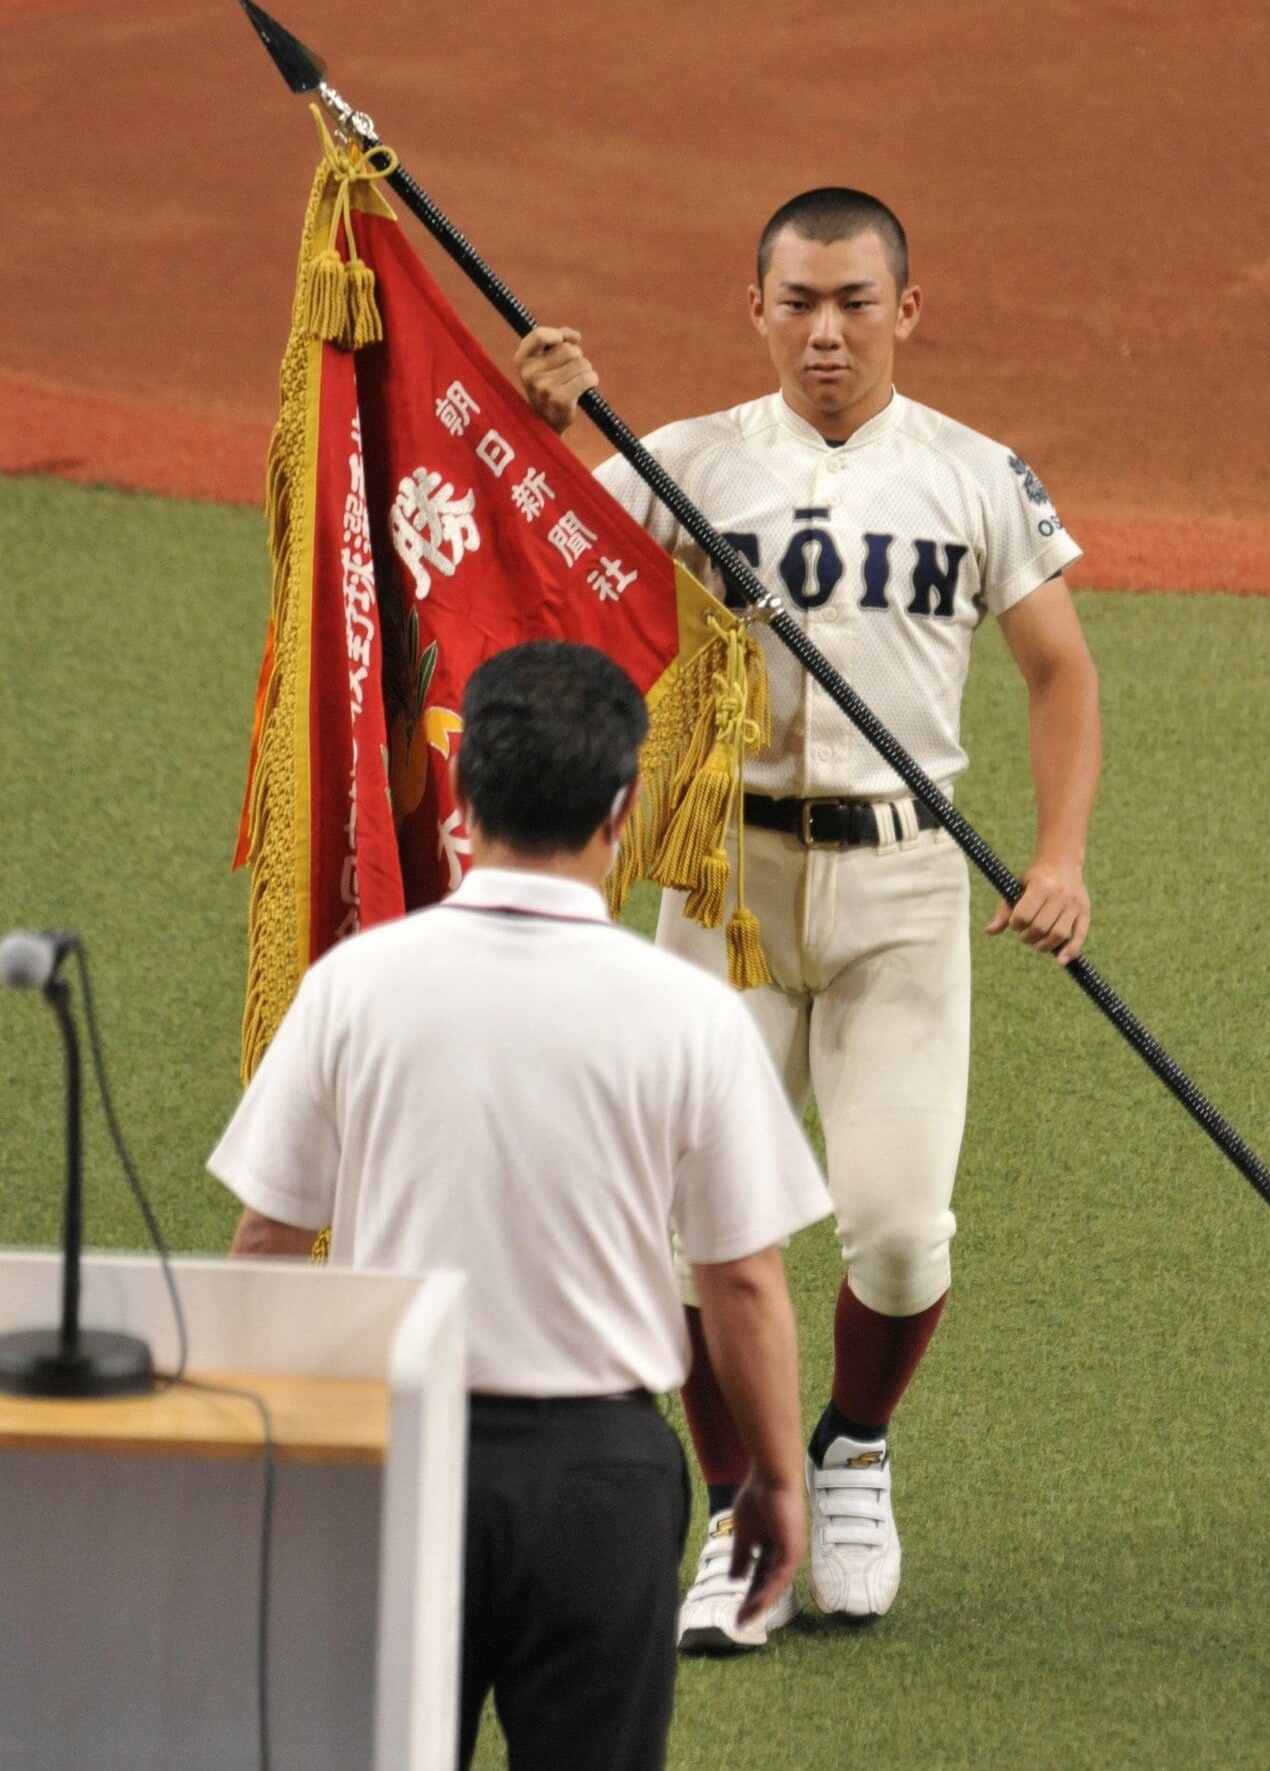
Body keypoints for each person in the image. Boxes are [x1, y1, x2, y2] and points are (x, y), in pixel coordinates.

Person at [513, 189, 1103, 1651]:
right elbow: (551, 581)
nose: (825, 334)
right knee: (684, 1237)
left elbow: (1060, 674)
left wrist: (1063, 855)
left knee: (899, 1238)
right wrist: (552, 432)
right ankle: (740, 1509)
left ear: (908, 309)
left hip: (905, 895)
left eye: (854, 302)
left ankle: (848, 1452)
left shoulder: (975, 475)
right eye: (798, 303)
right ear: (755, 308)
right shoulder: (686, 462)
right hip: (722, 890)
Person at [206, 641, 833, 1769]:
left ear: (462, 791)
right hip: (599, 1482)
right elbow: (741, 1278)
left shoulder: (355, 983)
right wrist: (777, 1482)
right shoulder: (691, 1015)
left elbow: (268, 1239)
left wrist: (264, 1454)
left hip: (394, 1463)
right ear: (623, 807)